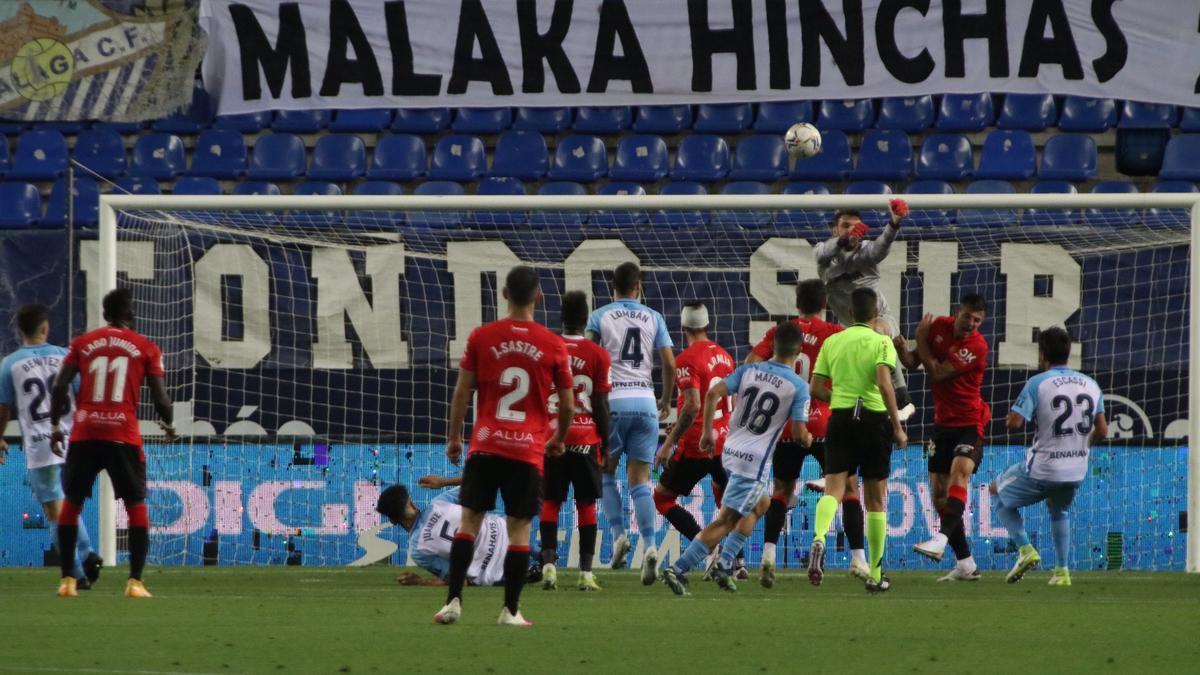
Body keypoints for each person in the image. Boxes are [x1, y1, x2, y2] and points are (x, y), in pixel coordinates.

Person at [434, 265, 574, 627]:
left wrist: (454, 437)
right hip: (527, 451)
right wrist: (558, 439)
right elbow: (569, 402)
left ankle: (452, 602)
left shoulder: (482, 336)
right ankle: (510, 611)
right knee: (519, 531)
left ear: (504, 294)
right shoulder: (552, 343)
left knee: (469, 524)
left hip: (485, 445)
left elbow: (463, 391)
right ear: (539, 296)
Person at [660, 322, 811, 596]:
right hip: (753, 462)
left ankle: (725, 562)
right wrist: (808, 439)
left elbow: (713, 393)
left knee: (762, 503)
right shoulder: (798, 387)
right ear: (799, 351)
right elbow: (800, 434)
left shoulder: (748, 369)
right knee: (727, 520)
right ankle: (678, 568)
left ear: (772, 346)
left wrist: (707, 431)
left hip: (730, 451)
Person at [49, 288, 174, 599]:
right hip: (123, 435)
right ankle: (135, 582)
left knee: (73, 503)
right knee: (135, 506)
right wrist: (169, 423)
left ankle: (67, 580)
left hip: (85, 433)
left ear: (105, 315)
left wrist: (54, 426)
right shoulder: (145, 347)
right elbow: (160, 398)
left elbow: (60, 384)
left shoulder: (82, 343)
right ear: (131, 315)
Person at [747, 280, 869, 586]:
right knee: (849, 489)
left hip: (787, 424)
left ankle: (769, 555)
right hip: (825, 424)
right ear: (825, 303)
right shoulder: (835, 334)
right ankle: (858, 558)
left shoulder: (782, 332)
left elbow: (750, 364)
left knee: (782, 491)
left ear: (797, 302)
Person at [807, 287, 907, 594]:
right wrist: (897, 424)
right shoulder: (882, 342)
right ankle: (875, 574)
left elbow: (815, 387)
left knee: (834, 488)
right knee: (875, 499)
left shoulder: (833, 341)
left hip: (839, 418)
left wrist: (839, 397)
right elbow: (883, 382)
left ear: (850, 313)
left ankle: (819, 537)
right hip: (874, 420)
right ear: (876, 313)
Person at [992, 327, 1107, 587]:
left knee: (997, 491)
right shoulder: (1091, 384)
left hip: (1043, 468)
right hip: (1076, 470)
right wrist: (1082, 446)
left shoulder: (1039, 382)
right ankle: (1062, 571)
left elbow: (1015, 422)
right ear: (1069, 353)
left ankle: (1025, 549)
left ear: (1042, 354)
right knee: (1060, 510)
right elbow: (1102, 430)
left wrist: (1009, 419)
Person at [0, 304, 101, 589]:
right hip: (72, 439)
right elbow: (83, 395)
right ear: (46, 328)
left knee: (56, 511)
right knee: (67, 506)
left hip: (40, 445)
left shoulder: (10, 363)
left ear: (20, 331)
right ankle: (79, 569)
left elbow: (3, 407)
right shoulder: (64, 356)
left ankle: (83, 559)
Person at [586, 262, 675, 583]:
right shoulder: (654, 317)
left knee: (605, 470)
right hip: (646, 403)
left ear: (613, 286)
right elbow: (668, 361)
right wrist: (665, 399)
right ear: (638, 287)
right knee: (640, 479)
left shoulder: (600, 316)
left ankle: (618, 535)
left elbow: (588, 355)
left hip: (614, 402)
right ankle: (650, 547)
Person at [897, 295, 990, 581]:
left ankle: (940, 539)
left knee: (958, 475)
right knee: (939, 495)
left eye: (977, 320)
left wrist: (920, 338)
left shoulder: (976, 345)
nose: (971, 324)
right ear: (957, 312)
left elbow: (936, 372)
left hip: (970, 423)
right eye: (968, 318)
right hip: (942, 425)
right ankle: (965, 563)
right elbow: (914, 362)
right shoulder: (937, 327)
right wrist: (902, 347)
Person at [652, 301, 735, 574]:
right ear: (707, 324)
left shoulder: (687, 359)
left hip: (698, 444)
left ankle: (706, 547)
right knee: (727, 502)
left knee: (662, 498)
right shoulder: (726, 356)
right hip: (724, 442)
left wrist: (668, 443)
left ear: (683, 326)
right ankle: (736, 562)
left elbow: (692, 407)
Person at [813, 199, 915, 420]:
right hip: (849, 326)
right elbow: (822, 256)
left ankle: (902, 396)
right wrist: (842, 240)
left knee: (877, 332)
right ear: (834, 229)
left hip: (879, 316)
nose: (851, 231)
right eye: (846, 225)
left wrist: (894, 223)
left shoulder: (866, 250)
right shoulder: (823, 252)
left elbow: (881, 247)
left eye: (855, 226)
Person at [537, 290, 610, 592]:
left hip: (552, 437)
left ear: (561, 317)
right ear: (586, 319)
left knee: (551, 502)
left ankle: (549, 567)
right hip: (585, 437)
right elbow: (601, 404)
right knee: (586, 504)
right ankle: (585, 573)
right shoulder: (598, 354)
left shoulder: (546, 349)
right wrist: (606, 442)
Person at [376, 477, 507, 588]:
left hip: (501, 572)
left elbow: (460, 581)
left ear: (393, 521)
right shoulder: (439, 502)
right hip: (513, 536)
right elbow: (481, 481)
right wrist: (443, 481)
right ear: (412, 503)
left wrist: (419, 581)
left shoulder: (418, 550)